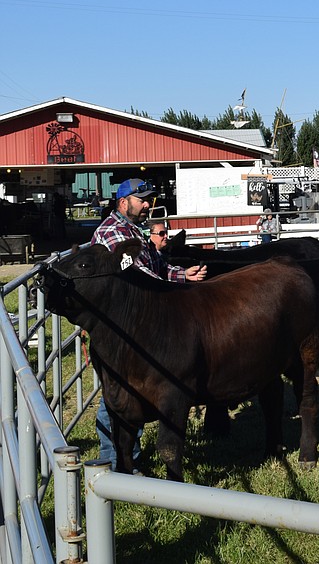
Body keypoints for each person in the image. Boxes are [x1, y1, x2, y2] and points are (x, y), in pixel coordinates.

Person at [92, 178, 207, 470]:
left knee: (133, 388)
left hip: (136, 324)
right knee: (116, 395)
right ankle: (113, 461)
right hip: (120, 329)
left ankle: (128, 457)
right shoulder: (112, 233)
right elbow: (141, 275)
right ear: (122, 203)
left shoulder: (134, 231)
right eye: (141, 199)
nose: (147, 204)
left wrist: (184, 276)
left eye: (148, 199)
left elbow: (156, 265)